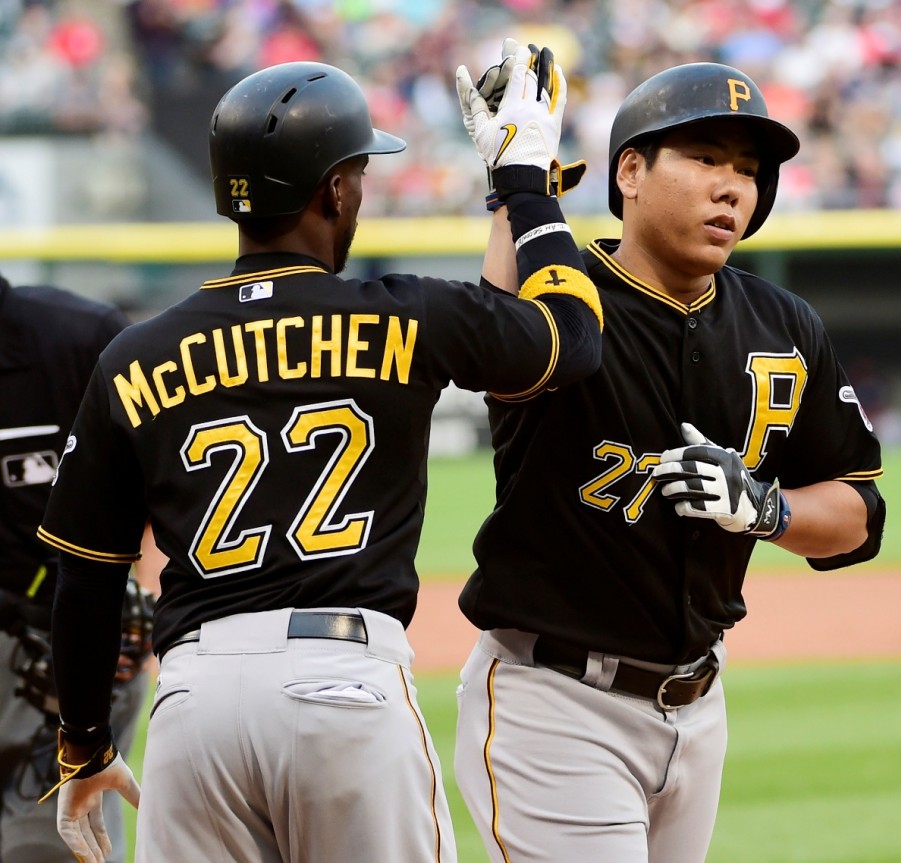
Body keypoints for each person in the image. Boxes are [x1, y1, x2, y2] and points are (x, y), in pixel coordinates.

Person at [37, 46, 602, 863]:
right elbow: (572, 342)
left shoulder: (133, 355)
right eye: (358, 173)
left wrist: (84, 744)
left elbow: (86, 578)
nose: (362, 190)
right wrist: (524, 184)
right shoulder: (407, 315)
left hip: (195, 701)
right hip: (344, 683)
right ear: (334, 189)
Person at [454, 61, 886, 863]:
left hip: (701, 704)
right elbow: (500, 339)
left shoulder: (784, 323)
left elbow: (859, 513)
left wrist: (768, 508)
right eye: (704, 158)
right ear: (630, 170)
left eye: (749, 171)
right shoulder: (564, 293)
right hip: (556, 701)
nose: (732, 188)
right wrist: (516, 181)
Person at [0, 274, 157, 863]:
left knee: (46, 850)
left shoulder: (76, 338)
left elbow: (164, 475)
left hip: (52, 648)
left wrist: (137, 596)